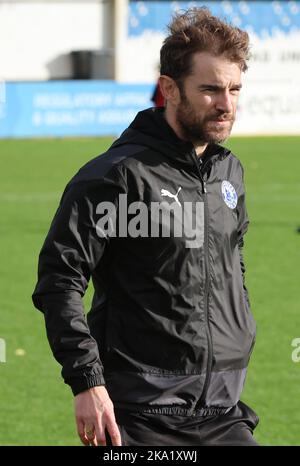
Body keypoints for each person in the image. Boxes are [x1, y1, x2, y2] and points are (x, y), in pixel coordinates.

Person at [32, 7, 259, 446]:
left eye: (234, 89)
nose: (226, 104)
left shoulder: (228, 171)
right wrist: (87, 382)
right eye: (210, 89)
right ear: (169, 89)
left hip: (223, 410)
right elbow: (59, 280)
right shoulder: (117, 175)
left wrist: (239, 329)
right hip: (139, 413)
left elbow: (234, 262)